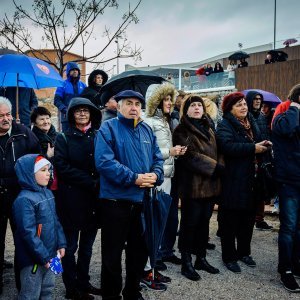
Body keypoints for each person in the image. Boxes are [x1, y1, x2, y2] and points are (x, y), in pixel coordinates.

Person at [94, 90, 164, 300]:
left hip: (142, 201)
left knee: (139, 251)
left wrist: (156, 174)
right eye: (129, 103)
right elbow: (104, 162)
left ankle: (132, 291)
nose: (134, 108)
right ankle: (111, 295)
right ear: (119, 106)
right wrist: (133, 178)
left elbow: (157, 158)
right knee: (112, 254)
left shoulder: (146, 130)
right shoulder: (108, 128)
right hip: (115, 202)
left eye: (137, 104)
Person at [216, 92, 271, 273]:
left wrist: (261, 144)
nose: (244, 107)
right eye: (239, 105)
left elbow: (253, 143)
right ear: (230, 108)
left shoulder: (250, 123)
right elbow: (227, 146)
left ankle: (244, 253)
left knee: (247, 220)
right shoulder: (225, 124)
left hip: (251, 179)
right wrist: (252, 148)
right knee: (230, 221)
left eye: (244, 104)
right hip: (233, 179)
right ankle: (229, 257)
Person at [54, 97, 102, 299]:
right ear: (72, 114)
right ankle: (71, 288)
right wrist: (91, 181)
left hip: (92, 201)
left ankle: (84, 282)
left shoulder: (98, 135)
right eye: (78, 111)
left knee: (87, 248)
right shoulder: (63, 137)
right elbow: (62, 167)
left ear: (91, 114)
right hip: (71, 200)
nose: (82, 114)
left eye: (86, 110)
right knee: (70, 247)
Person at [173, 95, 222, 281]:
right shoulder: (181, 129)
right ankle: (186, 262)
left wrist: (220, 166)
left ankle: (201, 258)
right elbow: (189, 155)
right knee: (189, 224)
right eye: (192, 105)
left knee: (204, 224)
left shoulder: (209, 127)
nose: (196, 108)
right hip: (192, 186)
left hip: (210, 186)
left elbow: (219, 152)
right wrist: (215, 168)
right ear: (186, 109)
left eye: (199, 105)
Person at [142, 84, 186, 289]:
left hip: (166, 177)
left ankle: (151, 268)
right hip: (156, 180)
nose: (170, 103)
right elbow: (148, 152)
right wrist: (171, 151)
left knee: (157, 226)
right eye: (165, 99)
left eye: (171, 99)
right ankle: (146, 271)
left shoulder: (163, 120)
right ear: (156, 101)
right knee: (151, 227)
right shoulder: (149, 121)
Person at [12, 154, 66, 299]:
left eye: (49, 169)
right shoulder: (24, 200)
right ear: (29, 174)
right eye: (43, 170)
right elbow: (28, 233)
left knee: (48, 289)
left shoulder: (48, 193)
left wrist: (61, 243)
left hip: (52, 255)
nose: (48, 173)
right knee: (31, 293)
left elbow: (56, 221)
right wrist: (44, 257)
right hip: (34, 260)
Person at [0, 97, 40, 294]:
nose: (6, 119)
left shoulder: (23, 132)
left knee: (23, 242)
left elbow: (37, 159)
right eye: (0, 116)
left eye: (8, 114)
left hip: (19, 197)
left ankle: (22, 286)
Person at [272, 84, 300, 292]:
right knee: (289, 227)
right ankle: (286, 270)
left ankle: (296, 263)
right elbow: (287, 129)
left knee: (298, 228)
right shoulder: (284, 117)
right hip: (289, 181)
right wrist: (295, 107)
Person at [245, 91, 274, 230]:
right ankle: (250, 219)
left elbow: (266, 133)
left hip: (263, 156)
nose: (257, 101)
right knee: (251, 191)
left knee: (262, 189)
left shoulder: (262, 116)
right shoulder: (245, 116)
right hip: (251, 156)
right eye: (255, 99)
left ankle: (259, 219)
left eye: (259, 99)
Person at [54, 62, 87, 131]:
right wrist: (65, 110)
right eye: (72, 70)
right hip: (67, 118)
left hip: (81, 118)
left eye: (76, 70)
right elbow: (56, 100)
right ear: (68, 72)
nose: (75, 71)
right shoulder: (62, 85)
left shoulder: (83, 85)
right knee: (67, 139)